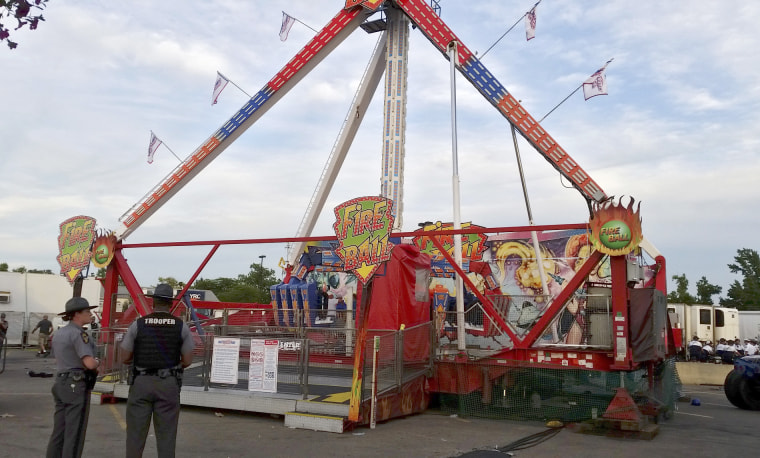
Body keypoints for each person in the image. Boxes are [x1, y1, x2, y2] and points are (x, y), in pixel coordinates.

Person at [120, 284, 195, 458]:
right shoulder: (180, 326)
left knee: (135, 435)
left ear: (153, 302)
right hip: (168, 384)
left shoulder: (138, 325)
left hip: (141, 383)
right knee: (167, 436)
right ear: (171, 304)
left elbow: (124, 357)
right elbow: (188, 360)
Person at [46, 297, 100, 458]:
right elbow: (89, 363)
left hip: (61, 382)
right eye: (87, 311)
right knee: (74, 432)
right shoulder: (79, 334)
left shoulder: (60, 333)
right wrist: (97, 361)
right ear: (77, 314)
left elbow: (59, 359)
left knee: (59, 431)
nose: (91, 315)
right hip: (75, 384)